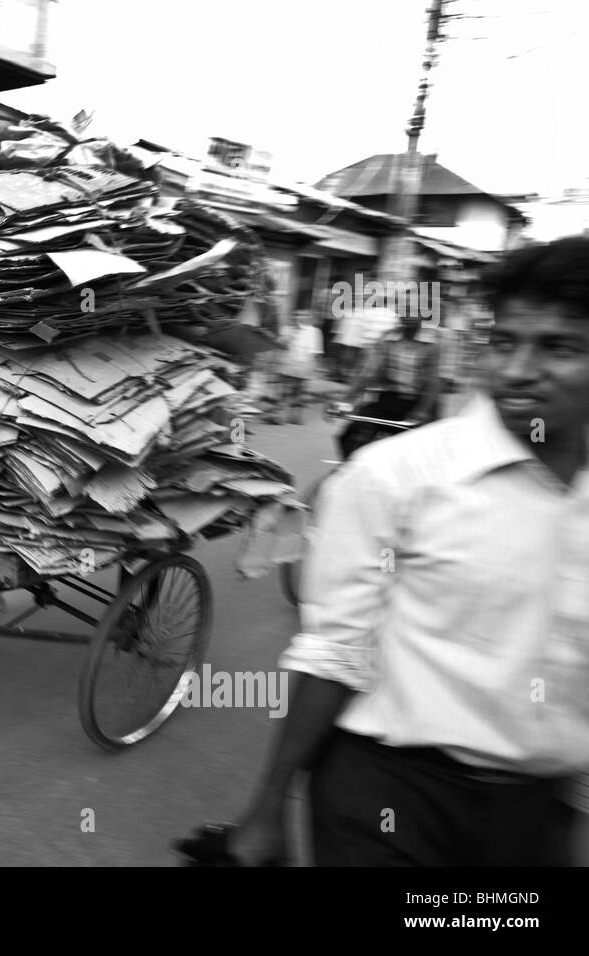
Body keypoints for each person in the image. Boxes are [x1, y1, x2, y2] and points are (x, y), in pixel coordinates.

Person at [198, 235, 589, 866]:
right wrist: (267, 809)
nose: (518, 370)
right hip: (393, 800)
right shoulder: (396, 475)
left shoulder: (432, 356)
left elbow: (432, 391)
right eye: (505, 342)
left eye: (559, 347)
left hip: (535, 814)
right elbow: (333, 654)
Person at [332, 311, 442, 459]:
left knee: (421, 453)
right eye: (406, 311)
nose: (409, 316)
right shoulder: (388, 338)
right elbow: (369, 371)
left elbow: (433, 382)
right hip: (389, 398)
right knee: (349, 436)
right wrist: (346, 400)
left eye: (414, 312)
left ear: (422, 316)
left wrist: (422, 411)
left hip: (420, 401)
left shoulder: (432, 343)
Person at [271, 313, 324, 425]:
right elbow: (279, 345)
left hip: (303, 366)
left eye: (303, 315)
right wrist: (287, 337)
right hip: (287, 365)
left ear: (310, 318)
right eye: (297, 315)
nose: (299, 317)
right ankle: (279, 416)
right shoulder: (286, 329)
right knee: (284, 392)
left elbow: (315, 352)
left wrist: (311, 368)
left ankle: (295, 417)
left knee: (299, 393)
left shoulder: (314, 332)